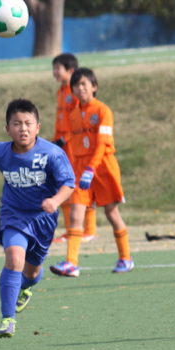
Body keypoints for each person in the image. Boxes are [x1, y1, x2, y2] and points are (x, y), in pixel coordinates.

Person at [0, 99, 74, 338]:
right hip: (13, 214)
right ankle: (7, 319)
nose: (23, 128)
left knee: (33, 272)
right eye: (16, 124)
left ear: (38, 127)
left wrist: (55, 201)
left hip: (43, 219)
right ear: (8, 129)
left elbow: (68, 184)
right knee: (14, 258)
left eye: (28, 123)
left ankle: (25, 287)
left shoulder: (52, 154)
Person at [50, 68, 134, 277]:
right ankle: (72, 263)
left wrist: (91, 168)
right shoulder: (73, 114)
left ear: (94, 87)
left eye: (83, 84)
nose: (80, 89)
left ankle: (125, 258)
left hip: (103, 167)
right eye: (76, 86)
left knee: (111, 213)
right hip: (81, 168)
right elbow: (73, 140)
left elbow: (103, 144)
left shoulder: (103, 111)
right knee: (76, 212)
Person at [50, 53, 97, 244]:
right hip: (61, 144)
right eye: (53, 68)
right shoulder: (61, 92)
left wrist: (65, 139)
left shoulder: (76, 93)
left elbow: (79, 121)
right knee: (61, 185)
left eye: (57, 68)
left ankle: (89, 230)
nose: (54, 72)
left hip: (72, 145)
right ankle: (71, 230)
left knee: (78, 186)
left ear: (70, 70)